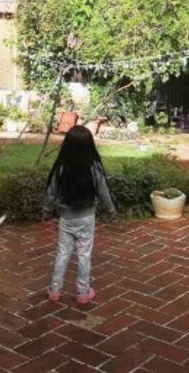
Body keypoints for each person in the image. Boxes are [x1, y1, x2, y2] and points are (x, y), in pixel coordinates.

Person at [42, 124, 116, 304]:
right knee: (84, 255)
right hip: (87, 218)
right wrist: (111, 210)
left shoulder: (61, 167)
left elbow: (51, 193)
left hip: (66, 218)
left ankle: (54, 290)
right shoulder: (94, 167)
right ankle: (83, 292)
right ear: (89, 145)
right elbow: (103, 191)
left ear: (67, 145)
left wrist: (46, 212)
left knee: (62, 253)